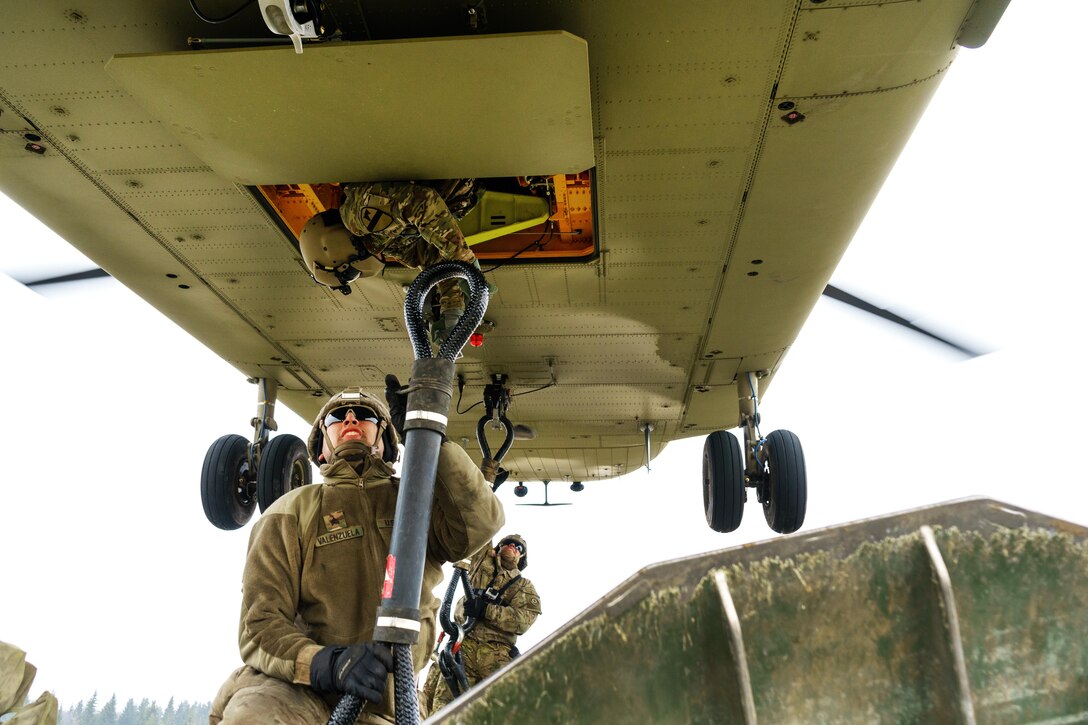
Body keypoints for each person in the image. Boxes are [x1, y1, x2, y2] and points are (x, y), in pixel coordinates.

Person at [209, 381, 505, 724]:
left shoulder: (416, 502)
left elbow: (482, 523)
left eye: (364, 415)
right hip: (298, 692)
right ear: (322, 448)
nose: (350, 418)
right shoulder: (288, 513)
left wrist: (428, 436)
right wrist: (325, 663)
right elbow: (259, 625)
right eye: (336, 417)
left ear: (386, 443)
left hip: (387, 705)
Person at [298, 179, 485, 341]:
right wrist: (452, 310)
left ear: (335, 247)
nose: (360, 273)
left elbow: (422, 202)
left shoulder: (358, 217)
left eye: (352, 272)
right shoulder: (386, 244)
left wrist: (465, 262)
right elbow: (433, 260)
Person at [420, 534, 541, 717]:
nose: (512, 547)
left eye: (518, 548)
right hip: (463, 646)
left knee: (505, 710)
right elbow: (482, 530)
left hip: (496, 653)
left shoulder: (524, 587)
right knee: (444, 707)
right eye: (507, 543)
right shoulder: (481, 565)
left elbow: (523, 620)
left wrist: (486, 610)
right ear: (497, 549)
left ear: (521, 558)